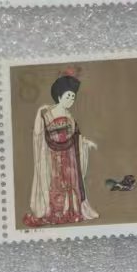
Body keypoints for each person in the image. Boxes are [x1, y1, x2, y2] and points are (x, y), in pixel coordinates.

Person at [22, 73, 98, 227]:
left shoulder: (70, 116)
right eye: (68, 96)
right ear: (59, 96)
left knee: (70, 182)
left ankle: (71, 211)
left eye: (73, 97)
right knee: (56, 183)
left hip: (70, 155)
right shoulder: (48, 115)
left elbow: (76, 135)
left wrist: (85, 143)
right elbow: (40, 134)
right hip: (53, 155)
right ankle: (56, 213)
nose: (70, 99)